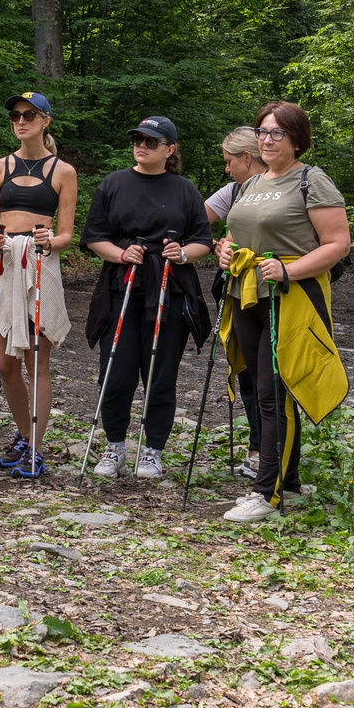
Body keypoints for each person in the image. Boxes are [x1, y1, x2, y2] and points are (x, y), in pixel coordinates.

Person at [217, 101, 351, 523]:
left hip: (290, 298)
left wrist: (289, 270)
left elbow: (336, 244)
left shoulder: (312, 181)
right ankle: (288, 484)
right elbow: (236, 230)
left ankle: (266, 494)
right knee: (259, 390)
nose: (267, 139)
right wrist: (225, 250)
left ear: (297, 139)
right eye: (262, 132)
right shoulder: (250, 184)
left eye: (276, 132)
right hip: (246, 294)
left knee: (276, 393)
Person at [80, 115, 214, 479]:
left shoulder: (185, 190)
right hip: (120, 286)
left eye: (151, 141)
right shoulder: (113, 183)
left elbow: (204, 240)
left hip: (169, 290)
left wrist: (182, 254)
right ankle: (115, 447)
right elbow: (94, 236)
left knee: (160, 372)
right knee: (116, 370)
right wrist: (121, 253)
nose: (142, 145)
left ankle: (153, 450)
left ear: (169, 150)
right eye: (138, 138)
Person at [0, 91, 77, 480]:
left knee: (38, 359)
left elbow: (68, 233)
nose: (21, 121)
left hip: (40, 263)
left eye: (29, 115)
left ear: (45, 121)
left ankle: (36, 450)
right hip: (4, 261)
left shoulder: (63, 171)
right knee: (5, 362)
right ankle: (25, 434)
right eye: (16, 116)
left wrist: (50, 242)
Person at [204, 125, 266, 475]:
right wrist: (216, 243)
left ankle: (272, 454)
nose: (226, 169)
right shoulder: (233, 190)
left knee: (268, 375)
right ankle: (257, 450)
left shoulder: (284, 187)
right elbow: (196, 219)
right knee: (244, 369)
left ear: (246, 158)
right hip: (235, 288)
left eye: (230, 161)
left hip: (270, 287)